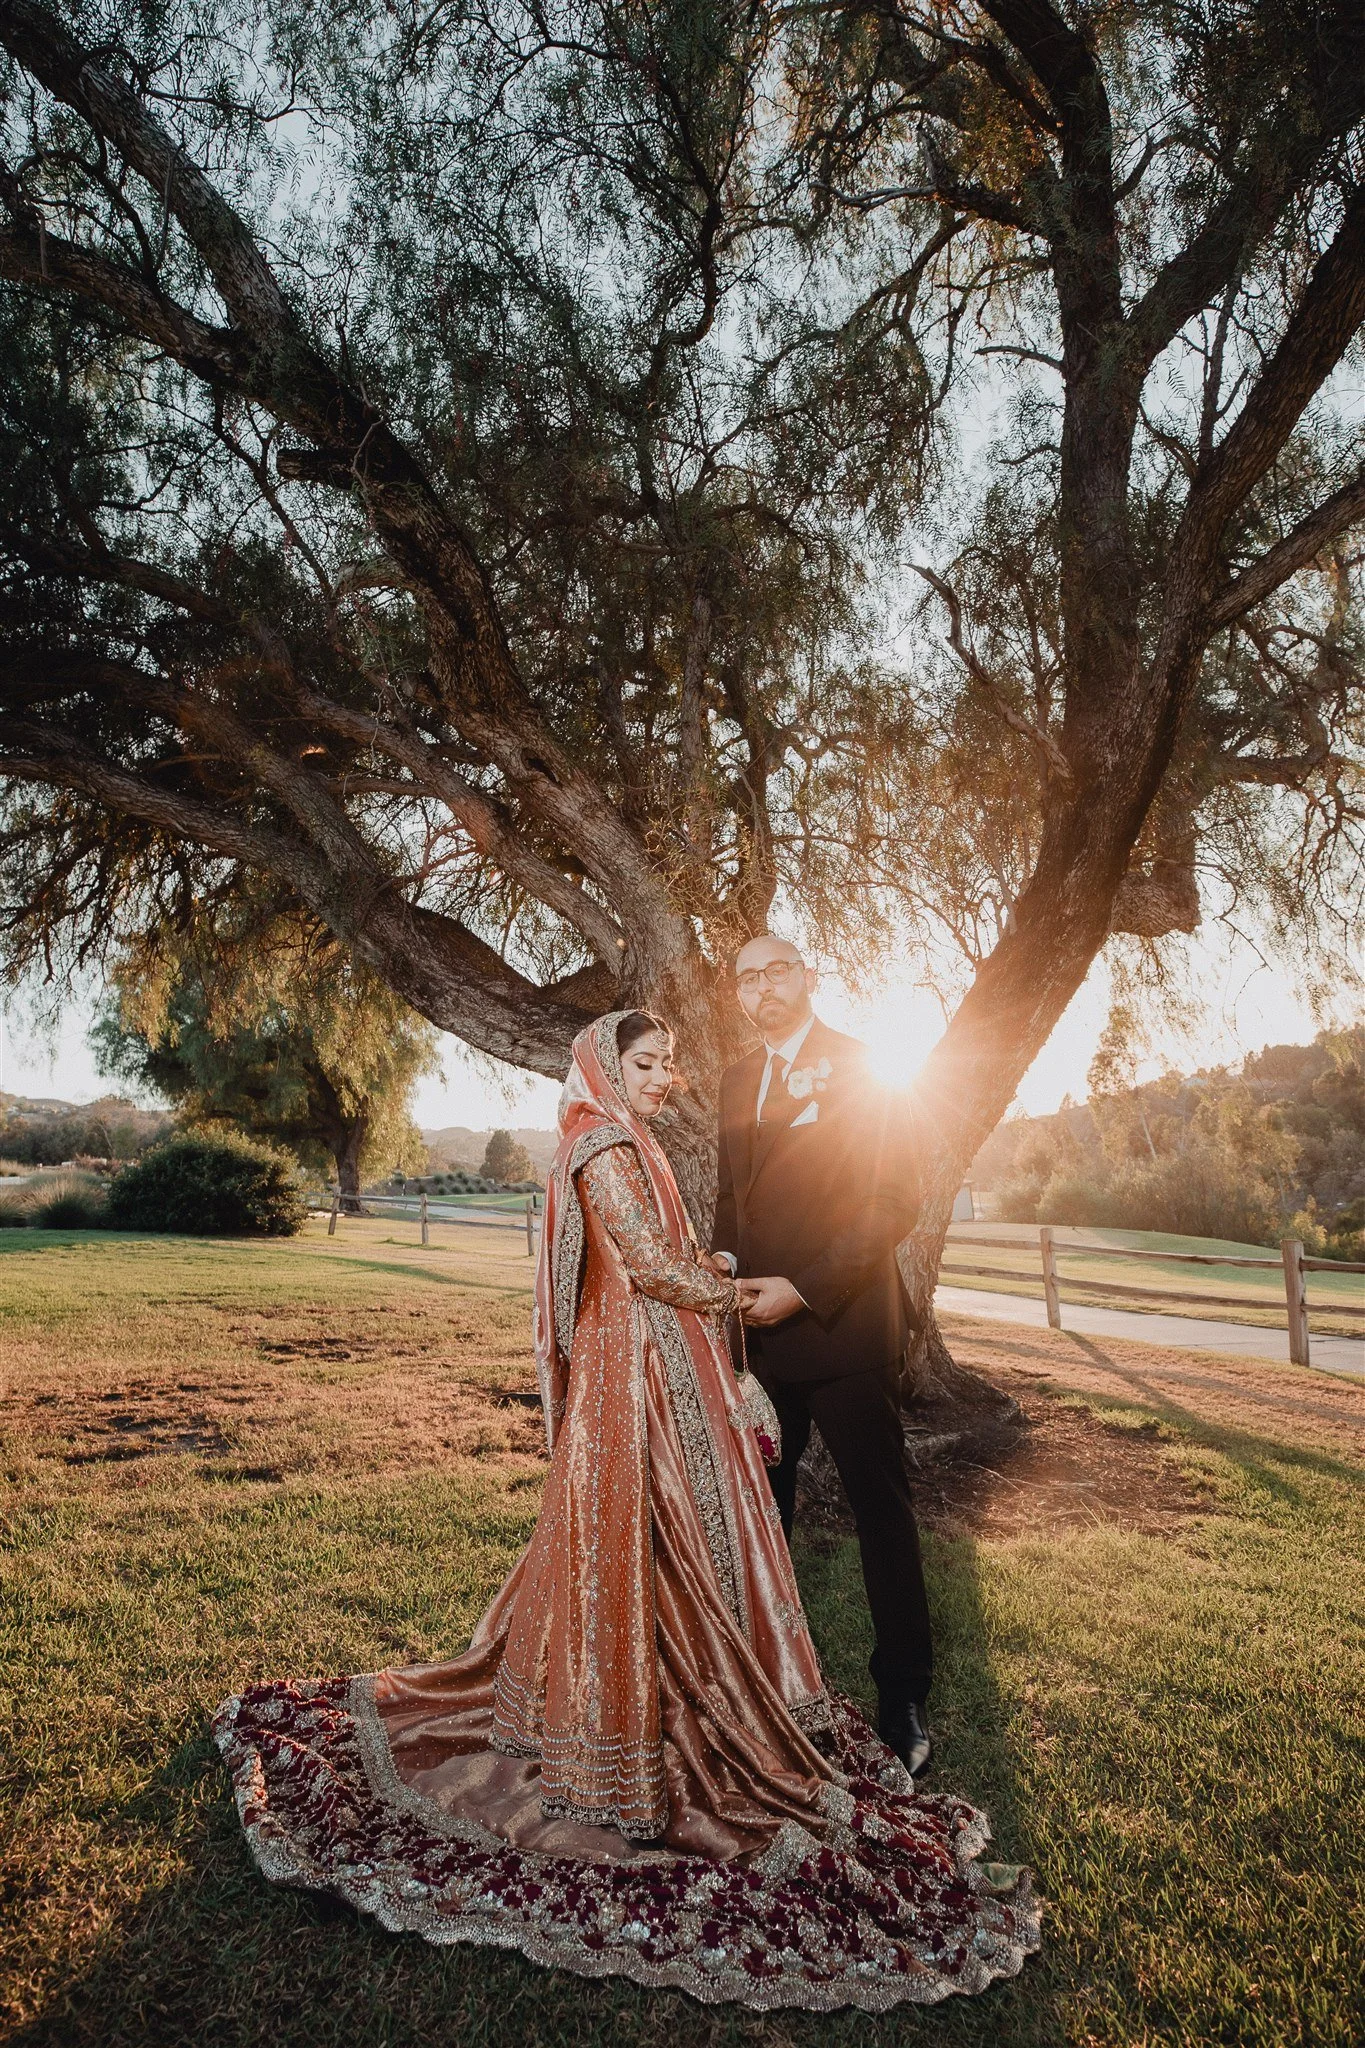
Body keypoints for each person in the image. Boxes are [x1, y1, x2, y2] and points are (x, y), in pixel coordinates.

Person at [215, 1011, 1036, 2008]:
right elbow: (647, 1262)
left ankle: (677, 1685)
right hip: (635, 1363)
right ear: (606, 1066)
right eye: (646, 1062)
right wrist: (744, 1295)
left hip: (662, 1349)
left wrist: (730, 1288)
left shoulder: (627, 1133)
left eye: (670, 1062)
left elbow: (674, 1250)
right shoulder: (602, 1139)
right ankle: (633, 1719)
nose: (666, 1076)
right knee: (653, 1531)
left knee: (673, 1534)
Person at [710, 936, 934, 1775]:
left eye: (776, 970)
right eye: (746, 976)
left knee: (882, 1513)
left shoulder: (865, 1067)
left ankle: (903, 1692)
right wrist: (725, 1272)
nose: (761, 986)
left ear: (808, 977)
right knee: (762, 1513)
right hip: (757, 1340)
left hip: (844, 1332)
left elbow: (891, 1202)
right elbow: (734, 1199)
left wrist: (800, 1288)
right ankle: (766, 1680)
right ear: (735, 993)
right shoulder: (737, 1078)